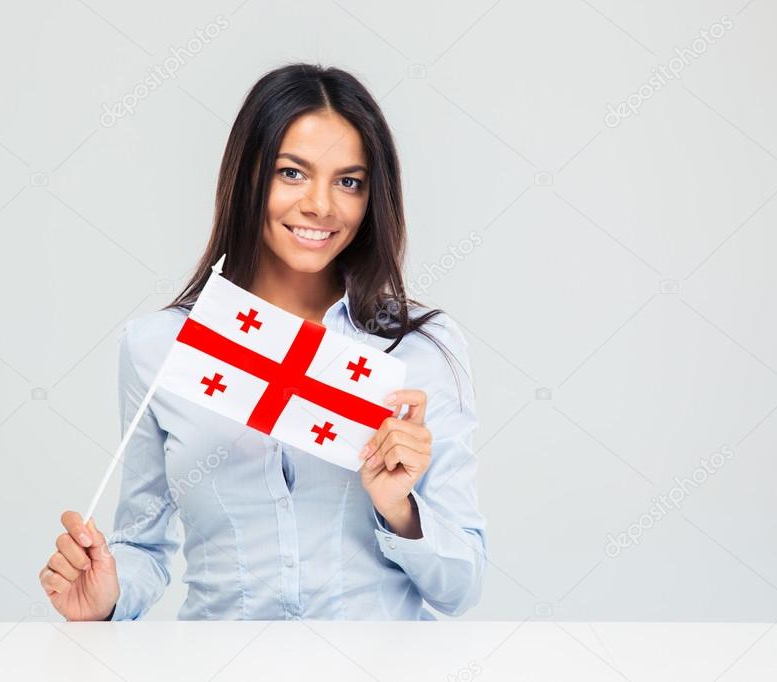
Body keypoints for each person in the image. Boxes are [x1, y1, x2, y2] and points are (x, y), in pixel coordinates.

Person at [38, 63, 486, 621]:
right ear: (247, 177)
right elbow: (143, 545)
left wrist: (399, 508)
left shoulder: (419, 350)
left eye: (349, 181)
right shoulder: (161, 347)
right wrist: (108, 596)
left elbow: (461, 586)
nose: (321, 205)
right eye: (291, 173)